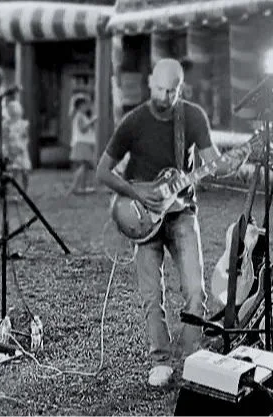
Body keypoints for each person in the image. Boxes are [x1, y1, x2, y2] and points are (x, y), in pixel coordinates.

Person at [95, 58, 245, 387]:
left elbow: (212, 164)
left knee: (195, 289)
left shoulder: (191, 116)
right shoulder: (133, 121)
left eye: (172, 90)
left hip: (182, 210)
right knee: (151, 294)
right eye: (160, 89)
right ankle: (160, 360)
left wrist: (235, 162)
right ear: (151, 84)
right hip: (141, 212)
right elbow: (103, 171)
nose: (165, 96)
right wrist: (135, 192)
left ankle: (193, 354)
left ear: (180, 88)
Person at [68, 94, 98, 194]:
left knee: (85, 166)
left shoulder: (82, 116)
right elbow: (83, 129)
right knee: (84, 165)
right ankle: (76, 186)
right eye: (85, 105)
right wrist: (92, 121)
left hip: (83, 143)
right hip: (82, 143)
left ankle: (82, 187)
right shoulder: (80, 116)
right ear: (80, 106)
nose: (87, 107)